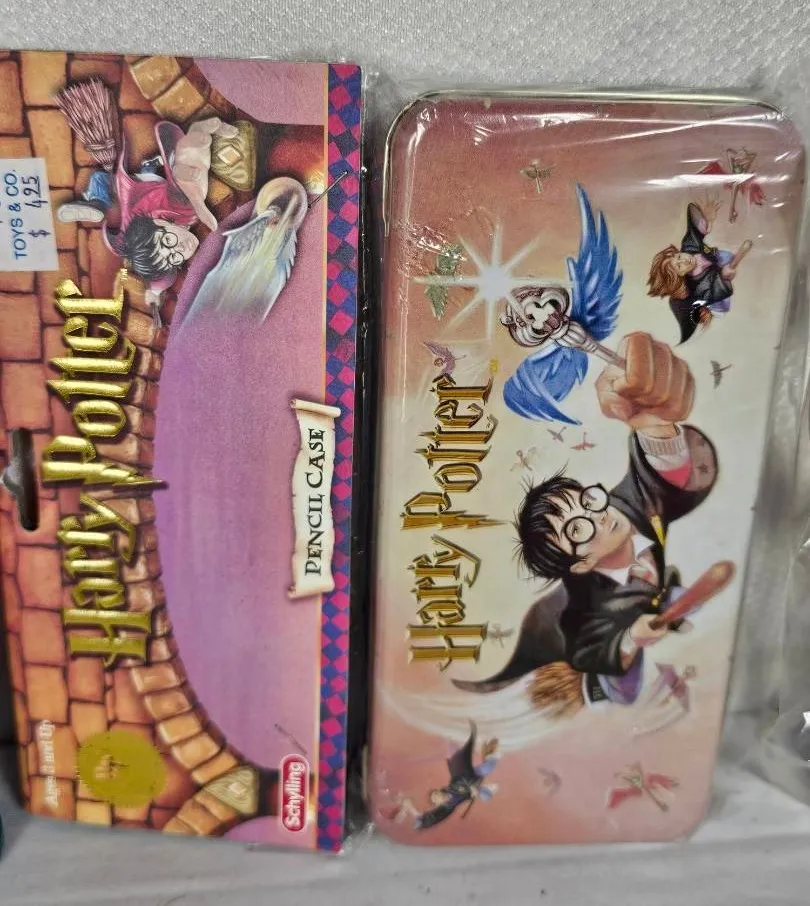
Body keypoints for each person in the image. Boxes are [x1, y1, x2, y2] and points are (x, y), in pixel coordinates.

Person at [454, 332, 729, 711]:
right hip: (616, 637)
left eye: (586, 500)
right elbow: (588, 644)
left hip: (655, 594)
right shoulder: (582, 603)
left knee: (680, 601)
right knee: (624, 691)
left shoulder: (626, 508)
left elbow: (660, 479)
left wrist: (654, 427)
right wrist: (631, 638)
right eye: (578, 529)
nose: (598, 515)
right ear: (581, 563)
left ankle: (666, 602)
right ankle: (601, 685)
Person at [58, 117, 239, 323]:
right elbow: (163, 277)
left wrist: (194, 197)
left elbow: (183, 192)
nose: (181, 249)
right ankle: (97, 205)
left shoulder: (181, 210)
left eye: (168, 241)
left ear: (162, 223)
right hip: (134, 202)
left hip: (146, 188)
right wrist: (154, 294)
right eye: (174, 257)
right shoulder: (152, 256)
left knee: (106, 183)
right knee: (102, 182)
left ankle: (99, 204)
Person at [647, 197, 752, 344]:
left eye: (679, 257)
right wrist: (724, 274)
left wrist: (706, 220)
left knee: (726, 256)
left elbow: (695, 233)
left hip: (714, 262)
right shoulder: (698, 285)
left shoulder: (689, 247)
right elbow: (714, 286)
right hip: (717, 298)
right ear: (681, 275)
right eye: (679, 266)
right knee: (721, 295)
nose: (684, 260)